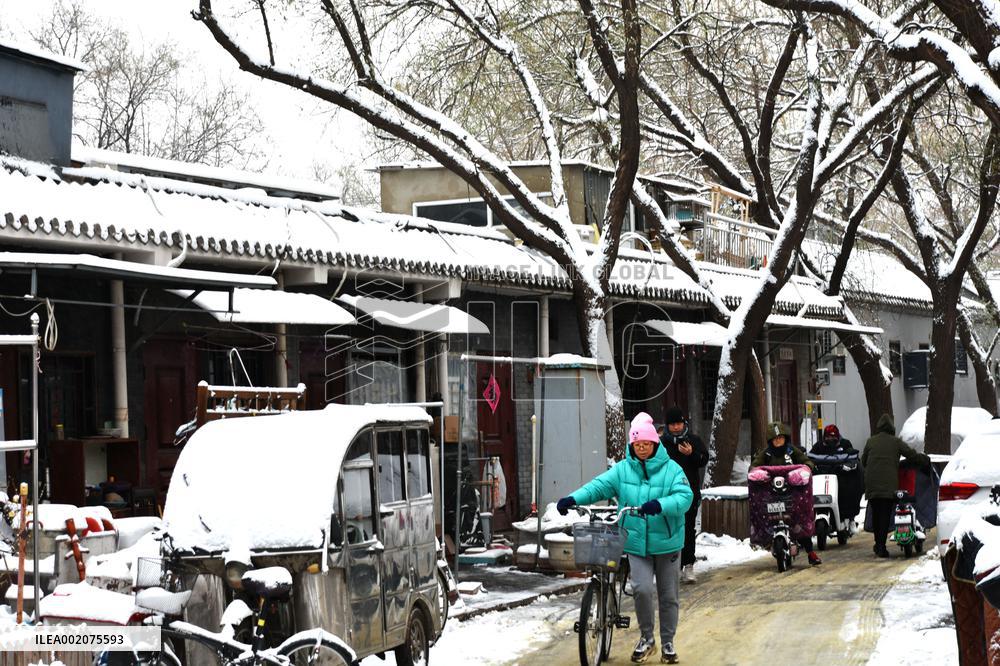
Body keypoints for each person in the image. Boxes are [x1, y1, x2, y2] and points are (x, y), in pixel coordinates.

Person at [557, 412, 693, 664]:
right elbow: (598, 486)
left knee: (668, 595)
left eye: (646, 444)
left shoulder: (672, 469)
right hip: (636, 542)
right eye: (637, 444)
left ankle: (668, 643)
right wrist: (573, 498)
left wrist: (660, 504)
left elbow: (685, 497)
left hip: (668, 542)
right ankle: (647, 639)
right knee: (641, 589)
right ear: (632, 445)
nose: (641, 449)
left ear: (654, 443)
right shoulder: (622, 470)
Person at [751, 421, 823, 566]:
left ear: (785, 438)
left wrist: (807, 468)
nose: (778, 441)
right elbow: (754, 466)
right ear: (771, 440)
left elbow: (806, 461)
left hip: (793, 494)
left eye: (781, 438)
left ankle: (811, 552)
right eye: (775, 439)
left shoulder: (792, 451)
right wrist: (757, 473)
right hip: (771, 494)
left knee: (799, 520)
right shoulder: (766, 454)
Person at [861, 413, 930, 558]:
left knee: (877, 513)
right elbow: (911, 455)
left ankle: (878, 544)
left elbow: (863, 461)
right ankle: (881, 547)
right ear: (892, 428)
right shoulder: (896, 442)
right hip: (888, 485)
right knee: (885, 515)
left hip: (872, 484)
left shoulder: (870, 441)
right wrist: (924, 459)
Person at [661, 406, 708, 584]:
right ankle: (673, 567)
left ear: (684, 423)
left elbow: (704, 459)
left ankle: (688, 565)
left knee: (688, 529)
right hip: (667, 495)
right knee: (670, 529)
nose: (676, 427)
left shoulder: (692, 440)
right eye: (672, 424)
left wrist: (692, 454)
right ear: (667, 426)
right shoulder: (662, 444)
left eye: (679, 423)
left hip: (690, 493)